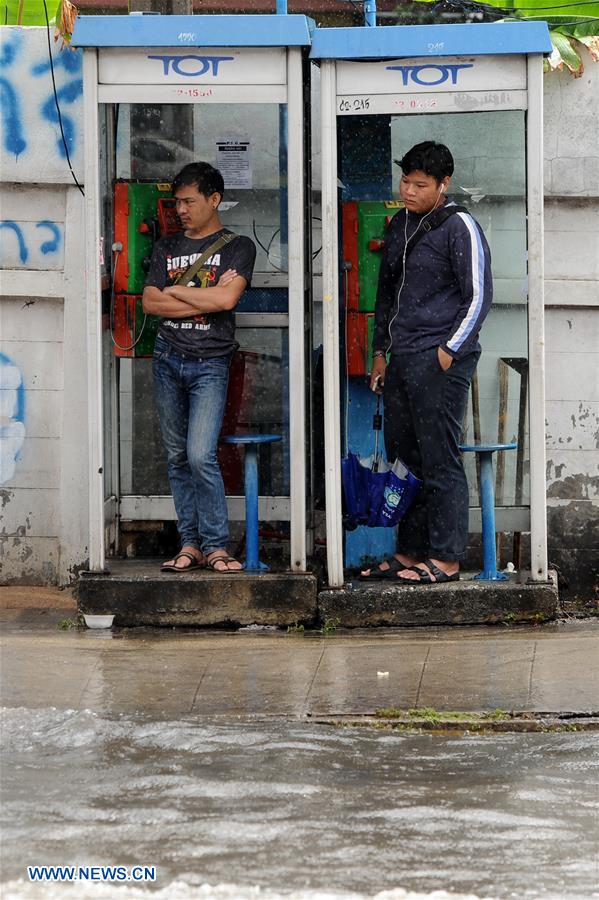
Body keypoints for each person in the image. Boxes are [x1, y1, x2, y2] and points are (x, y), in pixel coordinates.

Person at [360, 141, 492, 584]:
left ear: (443, 184)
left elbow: (478, 297)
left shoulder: (460, 227)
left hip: (440, 360)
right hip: (402, 357)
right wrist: (380, 353)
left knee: (440, 459)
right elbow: (385, 293)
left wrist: (448, 350)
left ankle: (447, 557)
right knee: (406, 458)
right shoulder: (400, 223)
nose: (409, 191)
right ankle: (410, 552)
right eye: (405, 182)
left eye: (420, 185)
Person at [143, 162, 256, 573]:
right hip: (167, 358)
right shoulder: (166, 247)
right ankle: (189, 544)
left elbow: (226, 303)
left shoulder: (237, 246)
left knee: (199, 455)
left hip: (210, 362)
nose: (182, 210)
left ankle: (216, 545)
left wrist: (175, 289)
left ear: (214, 199)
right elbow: (151, 303)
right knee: (176, 456)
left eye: (189, 201)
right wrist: (200, 294)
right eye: (177, 203)